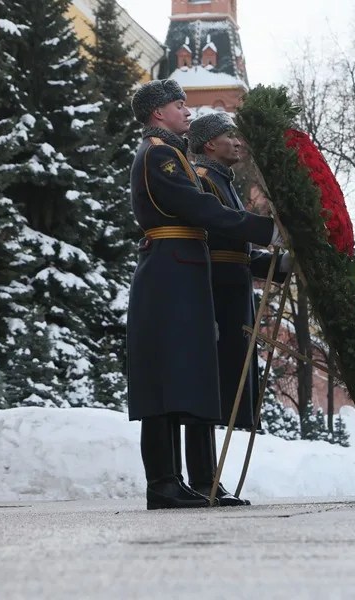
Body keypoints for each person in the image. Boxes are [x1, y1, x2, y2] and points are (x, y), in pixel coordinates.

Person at [127, 79, 281, 510]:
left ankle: (178, 481)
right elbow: (200, 209)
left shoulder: (167, 152)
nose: (186, 111)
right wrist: (265, 228)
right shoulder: (159, 153)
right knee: (165, 380)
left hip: (180, 269)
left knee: (180, 378)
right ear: (159, 113)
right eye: (180, 105)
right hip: (169, 271)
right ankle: (163, 482)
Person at [186, 112, 292, 506]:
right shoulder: (201, 179)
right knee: (208, 386)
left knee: (223, 387)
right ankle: (201, 479)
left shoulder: (222, 182)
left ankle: (208, 479)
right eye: (229, 135)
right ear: (209, 143)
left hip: (233, 292)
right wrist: (268, 234)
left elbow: (238, 252)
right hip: (215, 293)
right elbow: (220, 240)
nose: (238, 141)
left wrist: (279, 264)